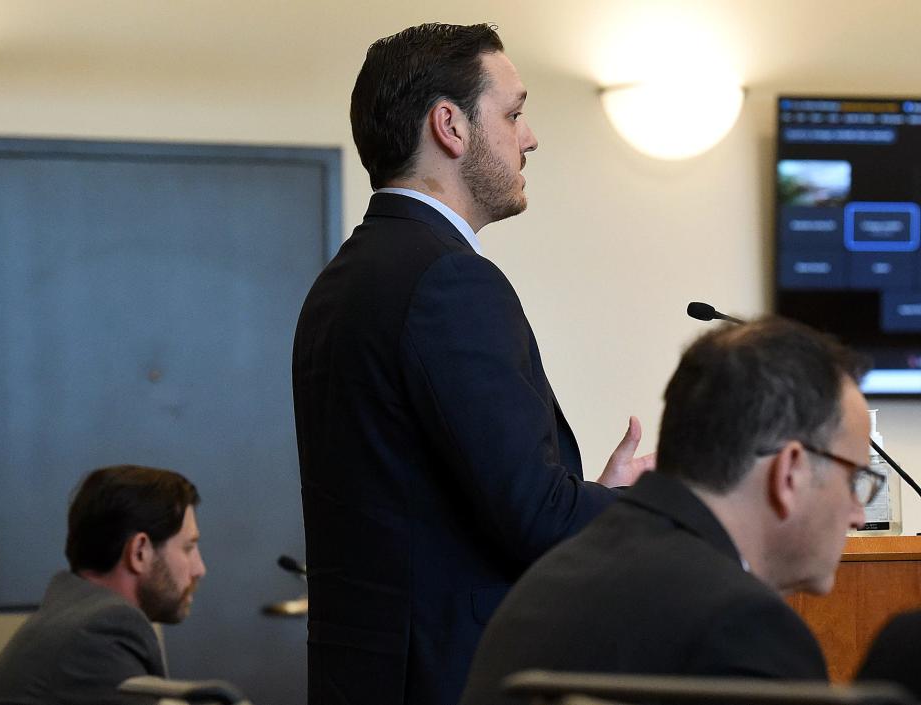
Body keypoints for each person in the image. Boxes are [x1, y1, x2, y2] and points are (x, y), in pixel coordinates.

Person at [292, 22, 651, 705]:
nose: (530, 137)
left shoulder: (342, 280)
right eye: (513, 114)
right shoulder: (450, 281)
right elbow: (536, 519)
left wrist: (593, 493)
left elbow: (455, 504)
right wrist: (650, 506)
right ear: (449, 126)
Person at [458, 317, 877, 705]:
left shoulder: (552, 578)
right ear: (791, 473)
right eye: (854, 480)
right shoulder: (744, 627)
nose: (858, 513)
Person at [0, 465, 206, 705]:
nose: (199, 569)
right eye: (188, 548)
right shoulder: (104, 630)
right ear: (140, 552)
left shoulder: (73, 615)